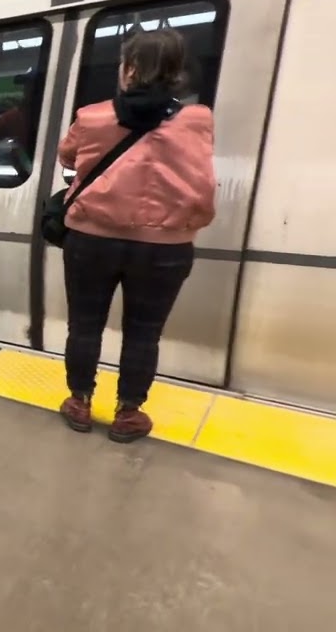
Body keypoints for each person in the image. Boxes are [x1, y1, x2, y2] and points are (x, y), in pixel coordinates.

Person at [56, 29, 216, 443]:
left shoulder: (91, 116)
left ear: (127, 68)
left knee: (85, 325)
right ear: (177, 71)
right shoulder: (199, 120)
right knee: (145, 332)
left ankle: (79, 402)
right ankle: (128, 414)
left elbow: (67, 156)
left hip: (90, 240)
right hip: (165, 248)